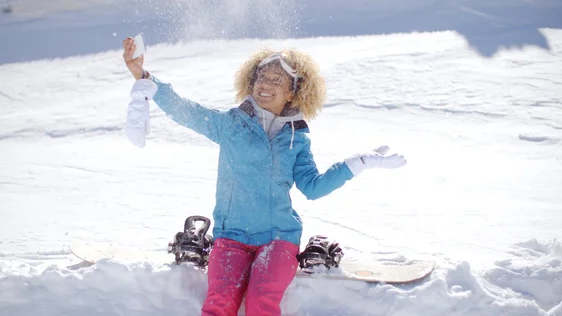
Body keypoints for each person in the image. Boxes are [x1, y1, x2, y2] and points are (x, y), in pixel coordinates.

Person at [122, 38, 407, 316]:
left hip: (279, 239)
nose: (265, 85)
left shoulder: (297, 139)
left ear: (292, 93)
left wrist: (359, 162)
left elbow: (314, 187)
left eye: (276, 80)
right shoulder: (231, 124)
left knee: (261, 306)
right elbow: (187, 111)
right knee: (218, 306)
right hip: (230, 236)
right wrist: (144, 76)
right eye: (262, 78)